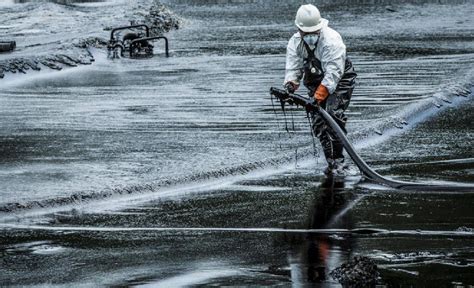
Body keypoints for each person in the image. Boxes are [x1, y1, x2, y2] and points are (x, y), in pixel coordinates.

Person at [284, 4, 357, 175]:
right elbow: (294, 69)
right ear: (299, 30)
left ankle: (339, 162)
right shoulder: (295, 43)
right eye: (306, 34)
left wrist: (318, 97)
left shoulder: (331, 40)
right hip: (315, 80)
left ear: (320, 28)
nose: (310, 37)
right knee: (318, 122)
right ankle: (331, 163)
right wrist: (290, 85)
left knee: (332, 116)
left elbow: (333, 74)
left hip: (340, 80)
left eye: (314, 33)